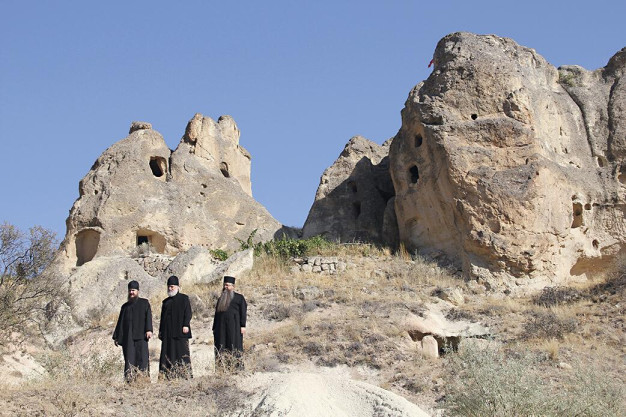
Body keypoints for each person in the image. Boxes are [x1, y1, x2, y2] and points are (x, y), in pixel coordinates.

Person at [112, 280, 153, 381]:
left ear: (138, 291)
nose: (131, 292)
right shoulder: (125, 307)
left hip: (141, 337)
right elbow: (120, 322)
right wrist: (116, 337)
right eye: (130, 290)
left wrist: (149, 330)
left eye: (133, 290)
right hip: (129, 338)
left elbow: (148, 317)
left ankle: (143, 381)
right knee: (129, 360)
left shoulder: (144, 303)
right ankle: (130, 382)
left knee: (142, 359)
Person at [158, 275, 193, 378]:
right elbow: (162, 318)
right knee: (167, 354)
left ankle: (184, 375)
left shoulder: (184, 298)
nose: (170, 288)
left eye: (172, 286)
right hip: (168, 334)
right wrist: (160, 331)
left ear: (177, 287)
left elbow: (188, 313)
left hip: (181, 332)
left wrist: (186, 324)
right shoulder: (165, 302)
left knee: (182, 354)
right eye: (169, 286)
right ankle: (167, 376)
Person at [212, 275, 247, 369]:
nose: (225, 287)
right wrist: (214, 327)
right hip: (221, 328)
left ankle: (237, 367)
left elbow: (243, 312)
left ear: (233, 286)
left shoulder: (239, 298)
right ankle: (222, 368)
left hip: (234, 327)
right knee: (221, 346)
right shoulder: (221, 299)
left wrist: (243, 326)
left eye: (228, 285)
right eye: (225, 285)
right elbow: (217, 314)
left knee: (234, 345)